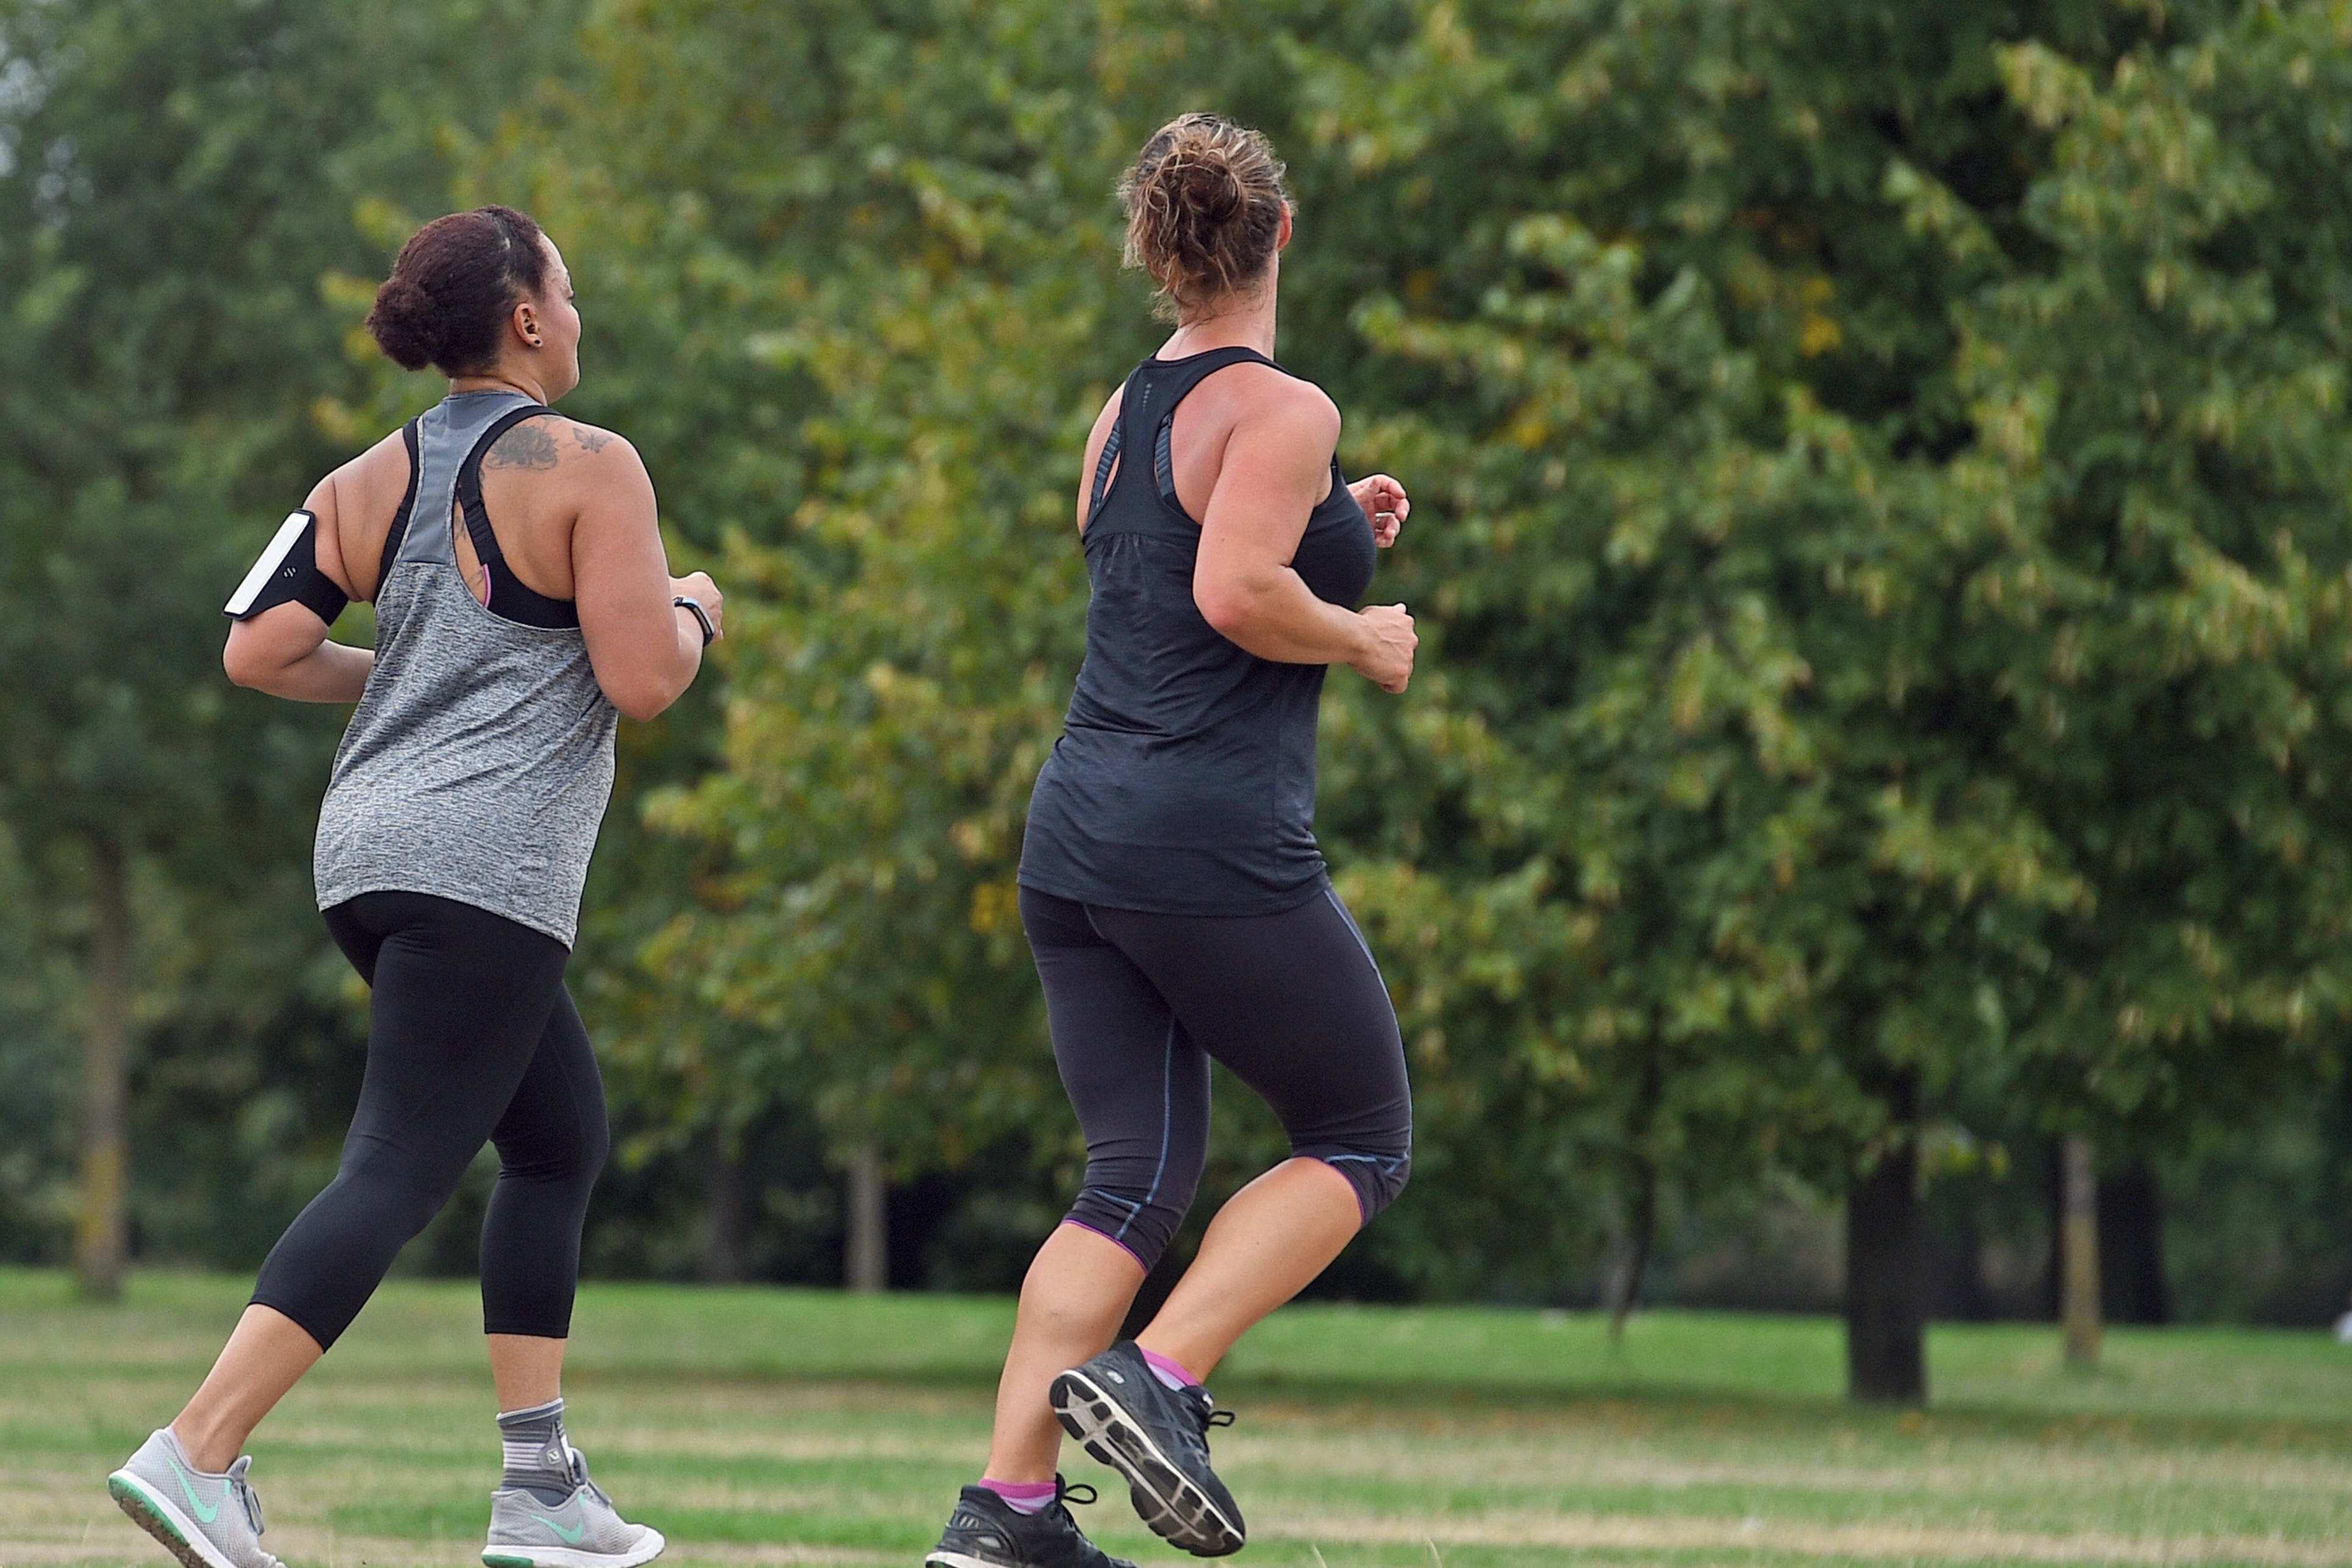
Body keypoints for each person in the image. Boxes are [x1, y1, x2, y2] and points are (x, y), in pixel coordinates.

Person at [106, 205, 720, 1568]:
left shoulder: (361, 476)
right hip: (482, 868)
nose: (577, 307)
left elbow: (256, 650)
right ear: (525, 316)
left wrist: (404, 677)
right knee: (395, 1166)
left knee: (559, 1141)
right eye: (568, 282)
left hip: (366, 856)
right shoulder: (591, 463)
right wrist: (694, 605)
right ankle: (198, 1449)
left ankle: (541, 1486)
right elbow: (645, 679)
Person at [925, 115, 1418, 1568]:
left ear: (1156, 252)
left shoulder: (1124, 409)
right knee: (1360, 1134)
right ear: (1281, 229)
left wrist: (1347, 519)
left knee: (1131, 1178)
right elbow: (1232, 592)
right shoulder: (1284, 406)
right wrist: (1362, 630)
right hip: (1203, 841)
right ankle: (1168, 1369)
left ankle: (1006, 1509)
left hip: (1076, 837)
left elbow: (1183, 554)